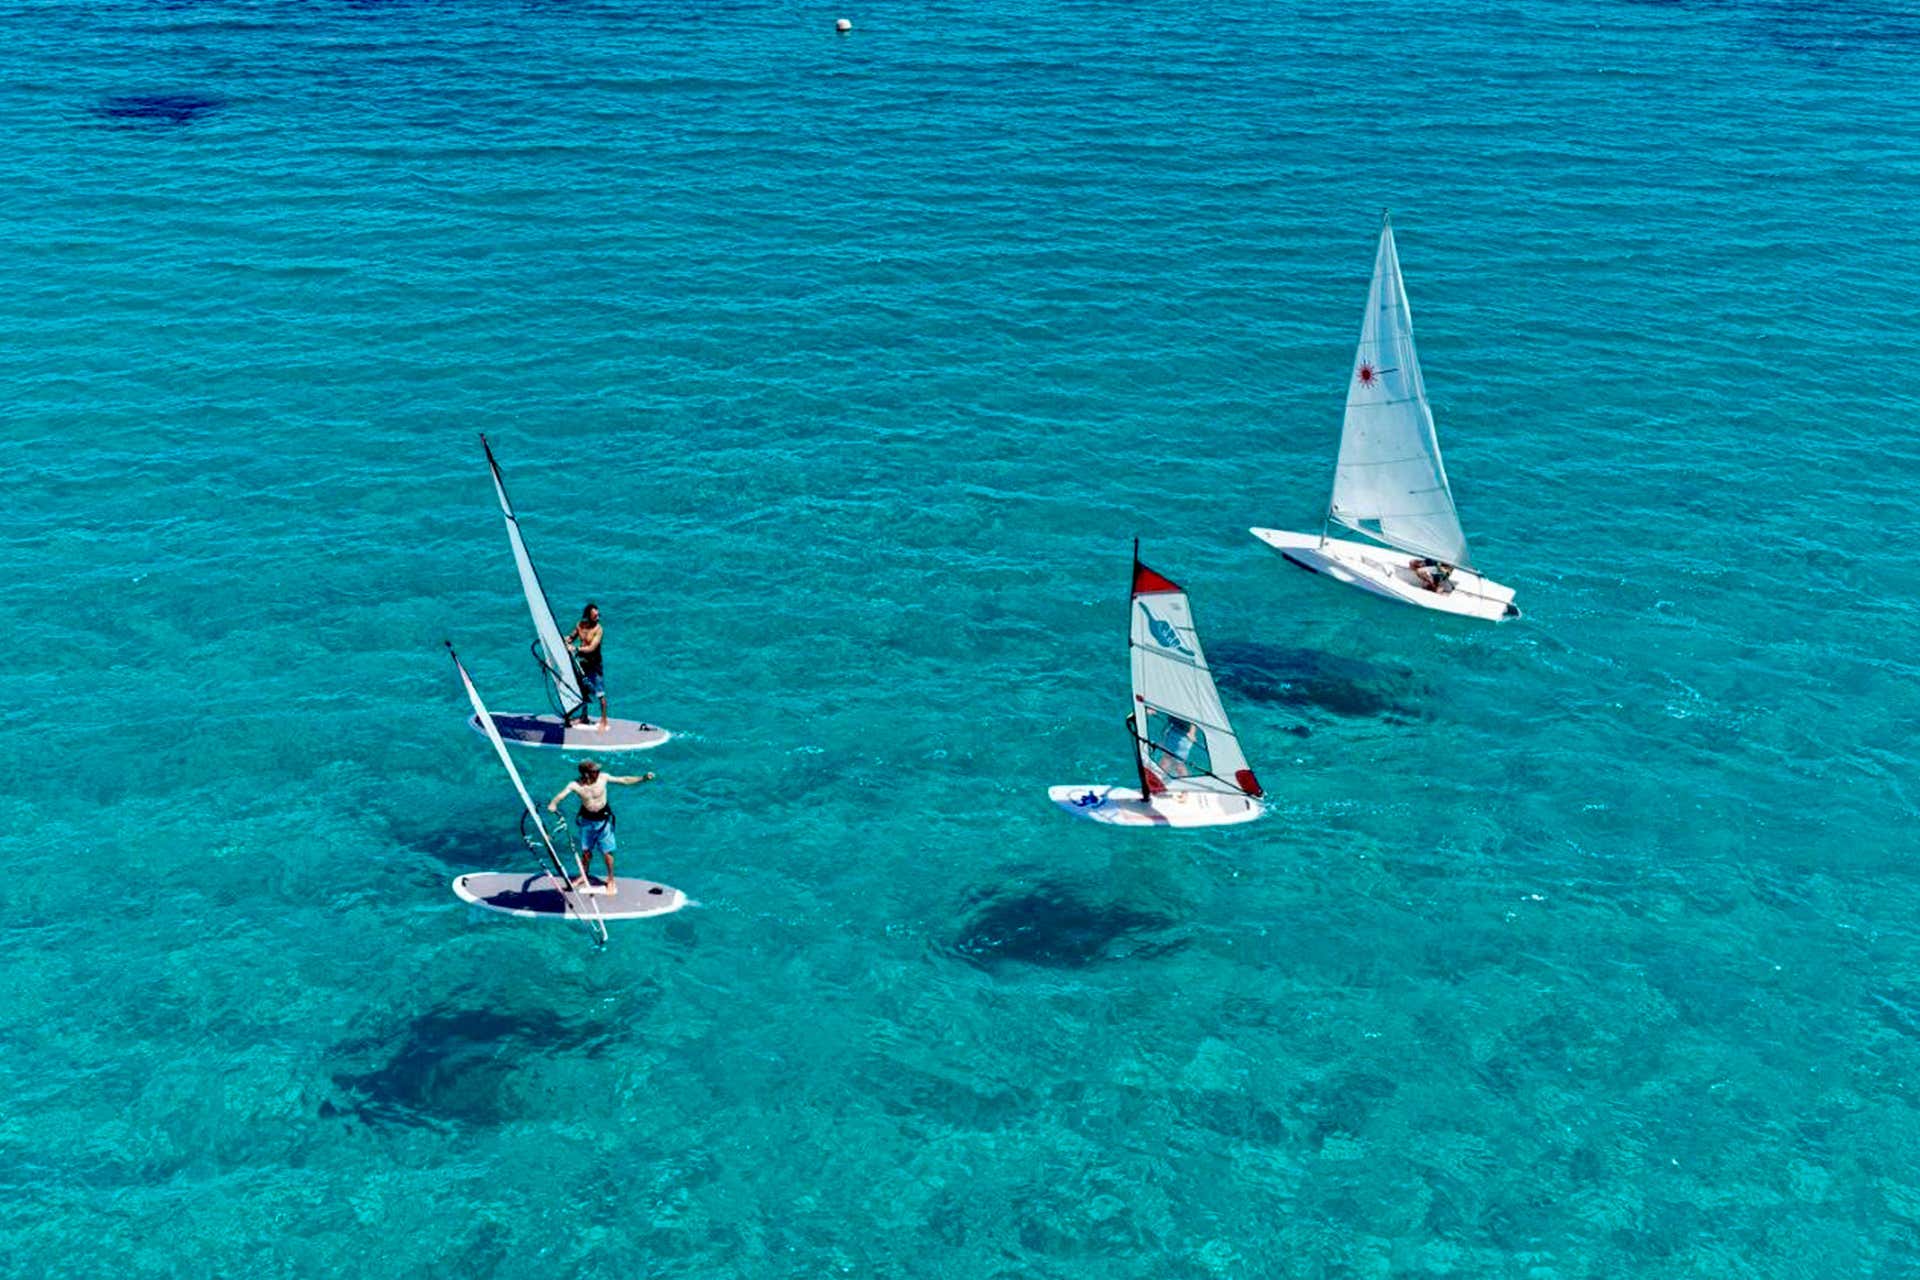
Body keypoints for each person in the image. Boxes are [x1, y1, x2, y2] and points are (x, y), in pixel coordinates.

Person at [547, 759, 655, 894]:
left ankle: (611, 879)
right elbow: (561, 795)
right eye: (594, 771)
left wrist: (643, 778)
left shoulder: (603, 778)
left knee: (607, 852)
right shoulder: (575, 785)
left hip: (603, 821)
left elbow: (624, 780)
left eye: (597, 770)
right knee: (586, 852)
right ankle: (584, 874)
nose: (598, 772)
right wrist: (553, 803)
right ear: (586, 773)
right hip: (587, 822)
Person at [565, 602, 609, 731]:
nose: (598, 618)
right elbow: (571, 637)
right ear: (588, 616)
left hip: (595, 665)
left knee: (600, 693)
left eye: (598, 615)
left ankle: (604, 720)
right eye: (595, 616)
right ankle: (584, 716)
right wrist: (564, 640)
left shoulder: (599, 629)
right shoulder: (580, 625)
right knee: (582, 690)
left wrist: (576, 649)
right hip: (583, 663)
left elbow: (592, 647)